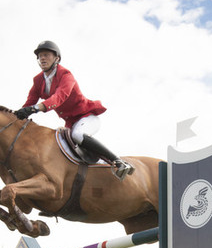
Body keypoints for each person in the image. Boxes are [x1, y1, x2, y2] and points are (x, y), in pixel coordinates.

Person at [15, 40, 134, 180]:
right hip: (70, 123)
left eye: (46, 55)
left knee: (78, 134)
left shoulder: (66, 75)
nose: (42, 58)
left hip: (87, 116)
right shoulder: (38, 81)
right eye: (40, 56)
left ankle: (118, 161)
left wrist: (35, 109)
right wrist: (15, 116)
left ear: (57, 58)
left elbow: (59, 97)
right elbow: (29, 103)